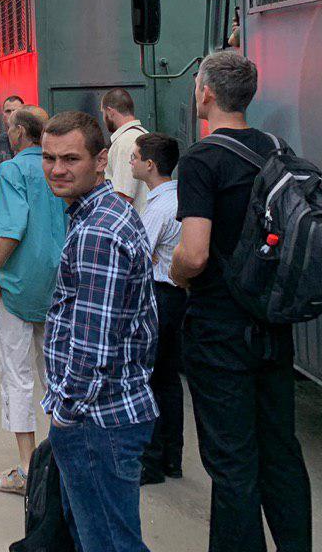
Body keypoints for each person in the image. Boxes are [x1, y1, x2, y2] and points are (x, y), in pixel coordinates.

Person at [171, 50, 312, 552]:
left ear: (206, 93)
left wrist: (177, 273)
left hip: (220, 330)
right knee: (281, 452)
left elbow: (194, 253)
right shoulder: (277, 148)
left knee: (232, 462)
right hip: (272, 324)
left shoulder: (201, 159)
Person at [41, 111, 157, 552]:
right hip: (108, 416)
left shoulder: (98, 232)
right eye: (49, 158)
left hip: (98, 421)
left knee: (108, 543)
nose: (57, 169)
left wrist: (66, 412)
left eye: (70, 158)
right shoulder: (106, 213)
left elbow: (93, 345)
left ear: (101, 160)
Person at [0, 107, 66, 496]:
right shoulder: (58, 170)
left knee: (16, 374)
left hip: (17, 285)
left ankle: (29, 469)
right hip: (59, 283)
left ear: (18, 133)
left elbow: (12, 229)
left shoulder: (13, 170)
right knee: (56, 375)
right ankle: (62, 462)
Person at [130, 132, 186, 485]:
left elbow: (139, 254)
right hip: (176, 296)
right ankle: (171, 458)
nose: (131, 161)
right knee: (168, 378)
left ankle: (149, 461)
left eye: (135, 157)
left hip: (158, 294)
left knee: (147, 377)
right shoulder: (178, 198)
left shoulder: (158, 208)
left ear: (150, 165)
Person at [101, 87, 148, 210]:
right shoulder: (143, 135)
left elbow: (123, 196)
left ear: (110, 112)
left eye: (103, 113)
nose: (103, 118)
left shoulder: (126, 141)